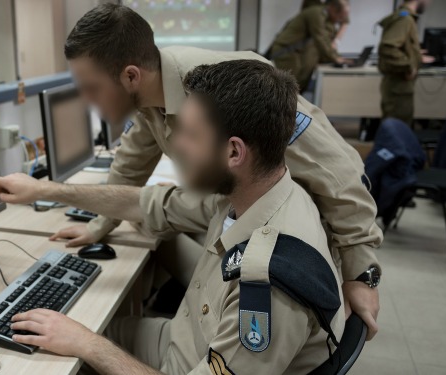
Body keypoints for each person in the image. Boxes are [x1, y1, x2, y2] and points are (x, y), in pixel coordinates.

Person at [0, 60, 346, 374]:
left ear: (234, 151)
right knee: (68, 333)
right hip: (183, 337)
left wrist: (87, 344)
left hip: (188, 363)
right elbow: (148, 203)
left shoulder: (268, 286)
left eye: (189, 134)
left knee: (57, 355)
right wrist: (47, 191)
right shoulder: (255, 191)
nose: (176, 145)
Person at [53, 4, 382, 339]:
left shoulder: (226, 84)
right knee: (151, 226)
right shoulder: (150, 94)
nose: (87, 99)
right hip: (241, 215)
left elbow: (334, 170)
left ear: (130, 75)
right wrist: (99, 225)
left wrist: (361, 273)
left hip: (291, 238)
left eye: (92, 88)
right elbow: (131, 162)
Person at [270, 0, 350, 92]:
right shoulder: (316, 13)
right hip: (286, 51)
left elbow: (325, 39)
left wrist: (336, 56)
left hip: (295, 51)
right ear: (332, 8)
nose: (338, 20)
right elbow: (320, 38)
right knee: (289, 88)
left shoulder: (323, 15)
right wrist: (335, 58)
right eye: (339, 16)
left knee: (297, 87)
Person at [378, 0, 435, 125]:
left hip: (399, 87)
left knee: (397, 129)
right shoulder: (405, 19)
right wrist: (410, 66)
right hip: (398, 87)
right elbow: (388, 48)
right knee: (397, 130)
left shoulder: (404, 17)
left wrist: (416, 55)